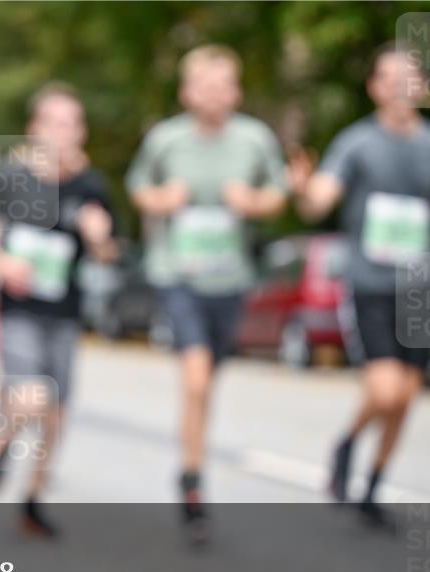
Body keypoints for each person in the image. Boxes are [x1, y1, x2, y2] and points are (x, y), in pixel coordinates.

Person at [289, 44, 430, 525]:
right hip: (369, 284)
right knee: (385, 391)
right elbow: (318, 202)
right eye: (387, 77)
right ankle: (348, 442)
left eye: (408, 77)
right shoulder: (356, 144)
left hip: (418, 285)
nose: (399, 87)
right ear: (374, 88)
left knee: (407, 395)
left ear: (424, 89)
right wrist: (304, 188)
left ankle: (372, 483)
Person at [126, 45, 287, 541]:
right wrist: (162, 199)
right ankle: (193, 482)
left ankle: (191, 461)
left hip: (229, 279)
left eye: (224, 85)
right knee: (195, 377)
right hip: (178, 274)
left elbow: (279, 196)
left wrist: (253, 202)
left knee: (207, 380)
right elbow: (138, 190)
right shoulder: (166, 139)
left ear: (236, 91)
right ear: (187, 91)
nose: (215, 95)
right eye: (205, 85)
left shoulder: (255, 139)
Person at [0, 82, 118, 537]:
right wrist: (2, 262)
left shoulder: (91, 187)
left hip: (66, 315)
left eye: (70, 124)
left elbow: (110, 254)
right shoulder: (7, 180)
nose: (61, 133)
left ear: (81, 132)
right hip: (17, 312)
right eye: (53, 123)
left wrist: (99, 238)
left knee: (56, 414)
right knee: (32, 398)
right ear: (34, 129)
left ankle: (32, 498)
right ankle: (4, 440)